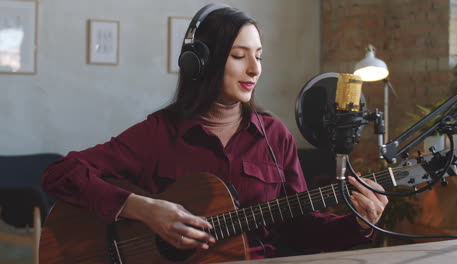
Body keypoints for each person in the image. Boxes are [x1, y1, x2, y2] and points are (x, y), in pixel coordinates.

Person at [41, 3, 388, 260]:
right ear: (201, 63)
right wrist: (145, 210)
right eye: (239, 56)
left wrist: (360, 223)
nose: (254, 69)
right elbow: (60, 174)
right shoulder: (159, 132)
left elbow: (301, 230)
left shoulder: (274, 135)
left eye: (259, 56)